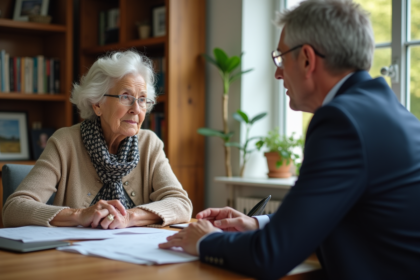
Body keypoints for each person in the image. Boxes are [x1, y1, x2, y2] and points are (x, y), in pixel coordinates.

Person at [159, 0, 420, 279]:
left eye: (281, 58)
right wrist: (257, 223)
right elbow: (344, 214)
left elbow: (270, 256)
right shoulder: (383, 109)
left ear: (307, 59)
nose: (277, 72)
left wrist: (204, 240)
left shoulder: (341, 122)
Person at [3, 50, 192, 229]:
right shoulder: (65, 142)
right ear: (97, 104)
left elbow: (182, 204)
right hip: (73, 257)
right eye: (125, 97)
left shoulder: (149, 144)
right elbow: (14, 209)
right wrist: (78, 215)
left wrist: (129, 217)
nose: (136, 108)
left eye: (142, 99)